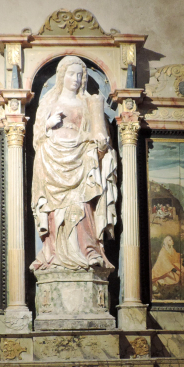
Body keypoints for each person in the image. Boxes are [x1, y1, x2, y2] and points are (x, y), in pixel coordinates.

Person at [30, 56, 117, 271]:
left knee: (83, 205)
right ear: (62, 76)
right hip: (52, 159)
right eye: (71, 74)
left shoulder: (88, 103)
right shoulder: (49, 102)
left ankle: (88, 250)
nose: (76, 79)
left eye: (80, 75)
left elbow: (99, 136)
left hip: (82, 158)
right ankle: (53, 254)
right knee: (54, 209)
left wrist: (100, 145)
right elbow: (37, 138)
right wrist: (48, 125)